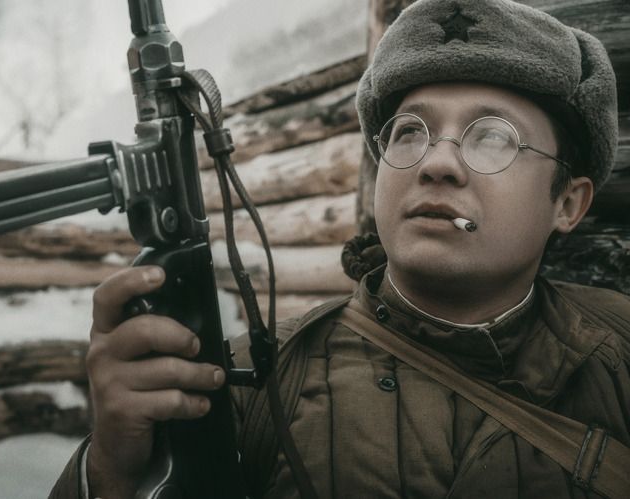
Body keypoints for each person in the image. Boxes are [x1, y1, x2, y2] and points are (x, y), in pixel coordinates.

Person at [49, 0, 629, 497]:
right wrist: (109, 472)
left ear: (568, 204)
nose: (437, 163)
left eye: (494, 137)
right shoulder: (249, 384)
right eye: (409, 131)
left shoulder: (620, 361)